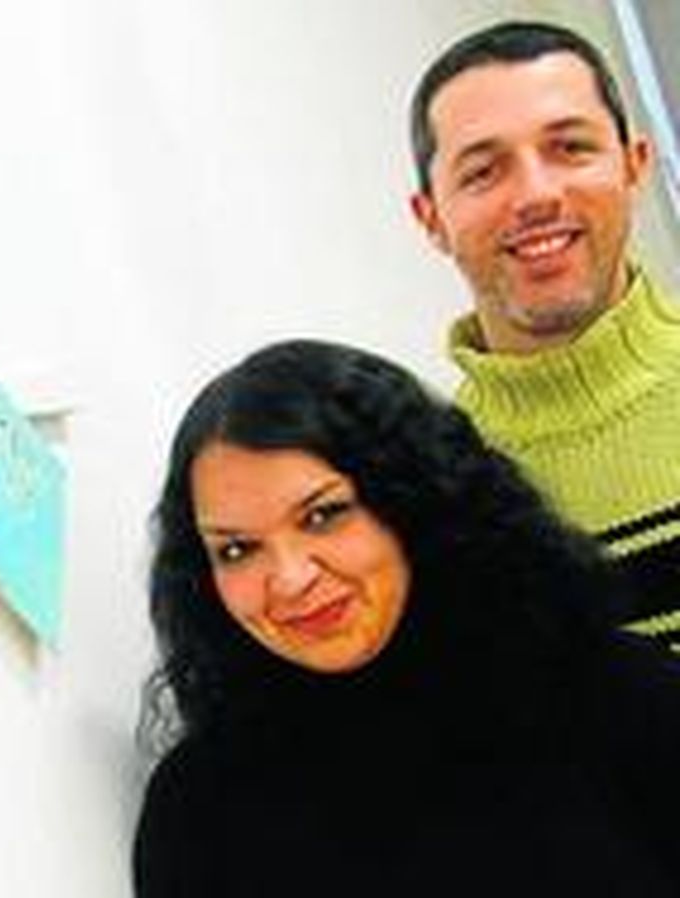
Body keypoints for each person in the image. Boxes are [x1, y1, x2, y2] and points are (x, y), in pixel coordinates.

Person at [133, 340, 680, 897]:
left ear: (410, 500)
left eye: (323, 516)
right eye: (237, 550)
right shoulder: (198, 812)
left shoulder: (617, 694)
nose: (291, 578)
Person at [407, 20, 680, 645]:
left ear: (634, 167)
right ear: (432, 219)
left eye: (570, 148)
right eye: (483, 171)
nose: (534, 195)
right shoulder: (429, 490)